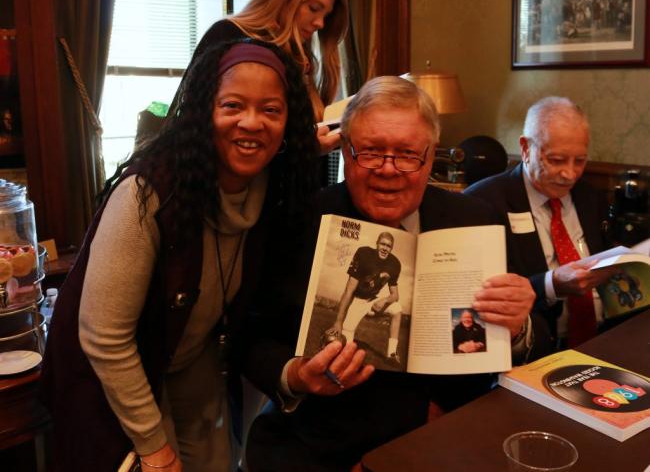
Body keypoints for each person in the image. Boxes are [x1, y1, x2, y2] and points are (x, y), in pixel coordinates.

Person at [39, 38, 320, 472]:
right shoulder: (147, 193)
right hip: (109, 377)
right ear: (203, 110)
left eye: (271, 110)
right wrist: (153, 447)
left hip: (190, 361)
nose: (251, 123)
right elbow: (104, 337)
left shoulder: (273, 192)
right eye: (232, 106)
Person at [241, 76, 541, 471]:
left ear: (430, 157)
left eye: (406, 153)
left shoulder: (476, 220)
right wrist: (295, 375)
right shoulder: (299, 220)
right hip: (322, 445)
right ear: (346, 153)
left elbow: (516, 344)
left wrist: (517, 329)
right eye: (371, 151)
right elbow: (251, 337)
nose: (388, 169)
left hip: (449, 439)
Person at [465, 96, 614, 349]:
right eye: (556, 160)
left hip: (604, 338)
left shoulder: (589, 197)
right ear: (525, 148)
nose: (570, 174)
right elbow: (485, 296)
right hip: (536, 349)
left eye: (580, 161)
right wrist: (552, 283)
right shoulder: (483, 203)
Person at [170, 0, 348, 154]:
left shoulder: (301, 58)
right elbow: (191, 119)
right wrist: (304, 148)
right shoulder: (227, 35)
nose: (320, 23)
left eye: (325, 16)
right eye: (313, 9)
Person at [329, 232, 403, 365]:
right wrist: (338, 321)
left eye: (389, 246)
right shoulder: (364, 254)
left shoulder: (394, 264)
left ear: (391, 248)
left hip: (374, 300)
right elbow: (348, 291)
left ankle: (391, 354)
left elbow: (395, 295)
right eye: (383, 244)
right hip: (358, 300)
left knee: (397, 309)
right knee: (345, 345)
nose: (385, 248)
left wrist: (384, 300)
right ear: (377, 244)